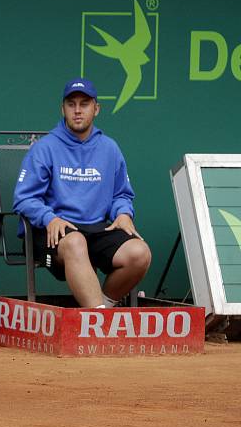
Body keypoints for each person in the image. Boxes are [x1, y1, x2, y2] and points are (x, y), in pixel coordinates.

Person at [12, 78, 151, 308]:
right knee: (76, 241)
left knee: (139, 253)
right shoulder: (45, 147)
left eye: (84, 104)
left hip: (96, 229)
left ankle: (100, 310)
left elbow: (121, 195)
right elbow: (24, 198)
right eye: (71, 104)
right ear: (63, 109)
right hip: (53, 231)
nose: (77, 110)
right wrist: (49, 217)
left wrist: (124, 213)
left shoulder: (109, 148)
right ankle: (98, 324)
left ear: (96, 109)